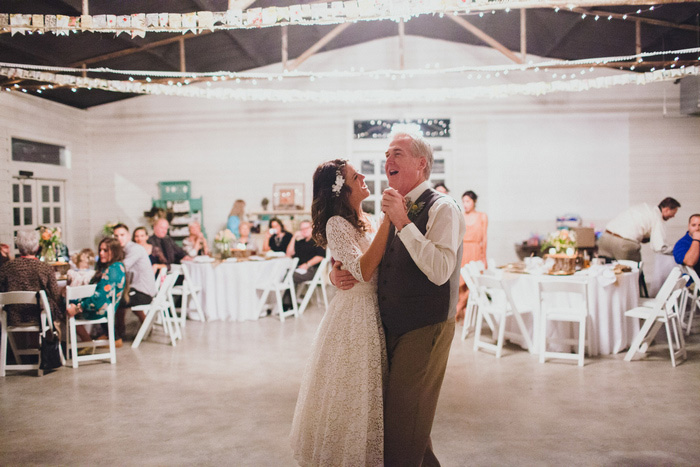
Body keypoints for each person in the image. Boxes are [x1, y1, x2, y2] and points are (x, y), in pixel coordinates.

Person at [331, 131, 465, 466]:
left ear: (421, 164)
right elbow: (366, 257)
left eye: (398, 153)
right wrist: (334, 271)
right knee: (407, 421)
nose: (387, 161)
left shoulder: (443, 208)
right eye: (387, 154)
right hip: (388, 326)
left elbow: (440, 271)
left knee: (403, 426)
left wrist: (404, 222)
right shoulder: (388, 209)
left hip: (425, 325)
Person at [290, 159, 391, 465]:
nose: (363, 176)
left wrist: (333, 273)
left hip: (378, 309)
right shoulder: (337, 223)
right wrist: (390, 220)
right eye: (354, 175)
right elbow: (362, 269)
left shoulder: (371, 220)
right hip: (355, 314)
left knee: (374, 390)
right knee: (352, 389)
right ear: (341, 189)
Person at [66, 237, 126, 344]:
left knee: (63, 307)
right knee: (64, 302)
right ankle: (85, 341)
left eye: (105, 250)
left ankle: (86, 341)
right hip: (99, 307)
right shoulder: (113, 266)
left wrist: (78, 307)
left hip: (99, 310)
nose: (101, 253)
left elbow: (99, 298)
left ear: (115, 251)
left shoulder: (113, 269)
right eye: (100, 250)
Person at [0, 230, 63, 328]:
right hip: (40, 315)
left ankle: (21, 343)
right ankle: (50, 339)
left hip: (13, 316)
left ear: (19, 247)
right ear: (37, 247)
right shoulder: (45, 268)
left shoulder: (6, 267)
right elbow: (55, 294)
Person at [598, 197, 681, 261]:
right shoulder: (657, 217)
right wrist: (678, 250)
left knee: (605, 272)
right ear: (666, 210)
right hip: (624, 244)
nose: (673, 216)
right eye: (673, 213)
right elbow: (659, 247)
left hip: (606, 238)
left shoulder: (644, 208)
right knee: (634, 272)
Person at [113, 224, 157, 345]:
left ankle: (115, 334)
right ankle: (120, 330)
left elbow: (122, 268)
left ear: (128, 235)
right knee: (119, 296)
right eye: (116, 236)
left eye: (122, 235)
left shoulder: (134, 249)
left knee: (114, 299)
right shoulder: (125, 249)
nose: (119, 238)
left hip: (144, 292)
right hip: (138, 289)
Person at [456, 190, 488, 322]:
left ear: (474, 202)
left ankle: (457, 310)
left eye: (468, 201)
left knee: (473, 283)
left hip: (476, 251)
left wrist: (484, 256)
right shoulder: (460, 216)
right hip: (463, 250)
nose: (465, 204)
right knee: (461, 284)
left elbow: (484, 238)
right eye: (463, 201)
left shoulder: (482, 216)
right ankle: (464, 314)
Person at [286, 220, 326, 284]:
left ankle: (288, 294)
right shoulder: (301, 242)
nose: (304, 230)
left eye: (306, 228)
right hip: (298, 269)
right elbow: (289, 254)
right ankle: (289, 294)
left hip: (311, 270)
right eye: (302, 229)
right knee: (283, 273)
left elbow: (320, 256)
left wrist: (307, 264)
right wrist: (294, 237)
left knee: (288, 276)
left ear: (312, 228)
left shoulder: (317, 241)